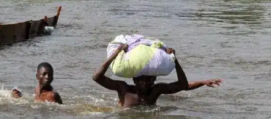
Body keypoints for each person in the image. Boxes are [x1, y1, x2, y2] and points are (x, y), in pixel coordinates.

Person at [93, 44, 221, 108]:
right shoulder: (124, 89)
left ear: (154, 79)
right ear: (134, 79)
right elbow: (97, 77)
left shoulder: (156, 90)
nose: (145, 83)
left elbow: (183, 85)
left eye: (149, 79)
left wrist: (174, 60)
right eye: (141, 79)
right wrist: (116, 52)